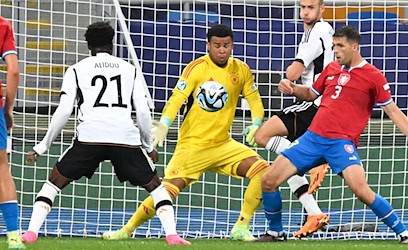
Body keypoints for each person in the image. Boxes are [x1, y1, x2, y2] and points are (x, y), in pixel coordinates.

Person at [257, 25, 408, 243]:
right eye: (334, 46)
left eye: (340, 46)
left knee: (362, 191)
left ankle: (404, 233)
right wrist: (293, 89)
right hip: (312, 139)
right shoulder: (331, 68)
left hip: (341, 144)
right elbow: (310, 94)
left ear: (355, 46)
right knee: (268, 180)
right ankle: (276, 232)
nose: (336, 51)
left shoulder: (373, 76)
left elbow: (393, 112)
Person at [20, 21, 190, 245]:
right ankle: (172, 235)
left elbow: (63, 110)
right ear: (112, 44)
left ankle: (31, 233)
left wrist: (42, 146)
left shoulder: (76, 70)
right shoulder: (130, 70)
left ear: (88, 45)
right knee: (156, 187)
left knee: (53, 183)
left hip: (90, 138)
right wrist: (148, 146)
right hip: (125, 139)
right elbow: (142, 111)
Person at [102, 24, 269, 242]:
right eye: (217, 45)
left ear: (232, 45)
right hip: (192, 146)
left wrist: (257, 122)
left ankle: (241, 226)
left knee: (263, 170)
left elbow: (254, 99)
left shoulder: (241, 69)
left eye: (226, 45)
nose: (222, 50)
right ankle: (127, 230)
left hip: (223, 144)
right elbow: (177, 98)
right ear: (208, 45)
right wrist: (164, 124)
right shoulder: (196, 68)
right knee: (167, 190)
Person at [244, 0, 334, 238]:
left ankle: (312, 163)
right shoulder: (319, 30)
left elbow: (294, 71)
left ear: (321, 9)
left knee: (262, 135)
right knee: (287, 163)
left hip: (312, 103)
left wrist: (288, 81)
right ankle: (313, 212)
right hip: (319, 103)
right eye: (302, 7)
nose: (305, 12)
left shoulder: (318, 31)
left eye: (310, 7)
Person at [0, 16, 26, 249]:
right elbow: (14, 71)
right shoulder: (3, 25)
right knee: (1, 168)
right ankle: (14, 237)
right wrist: (8, 108)